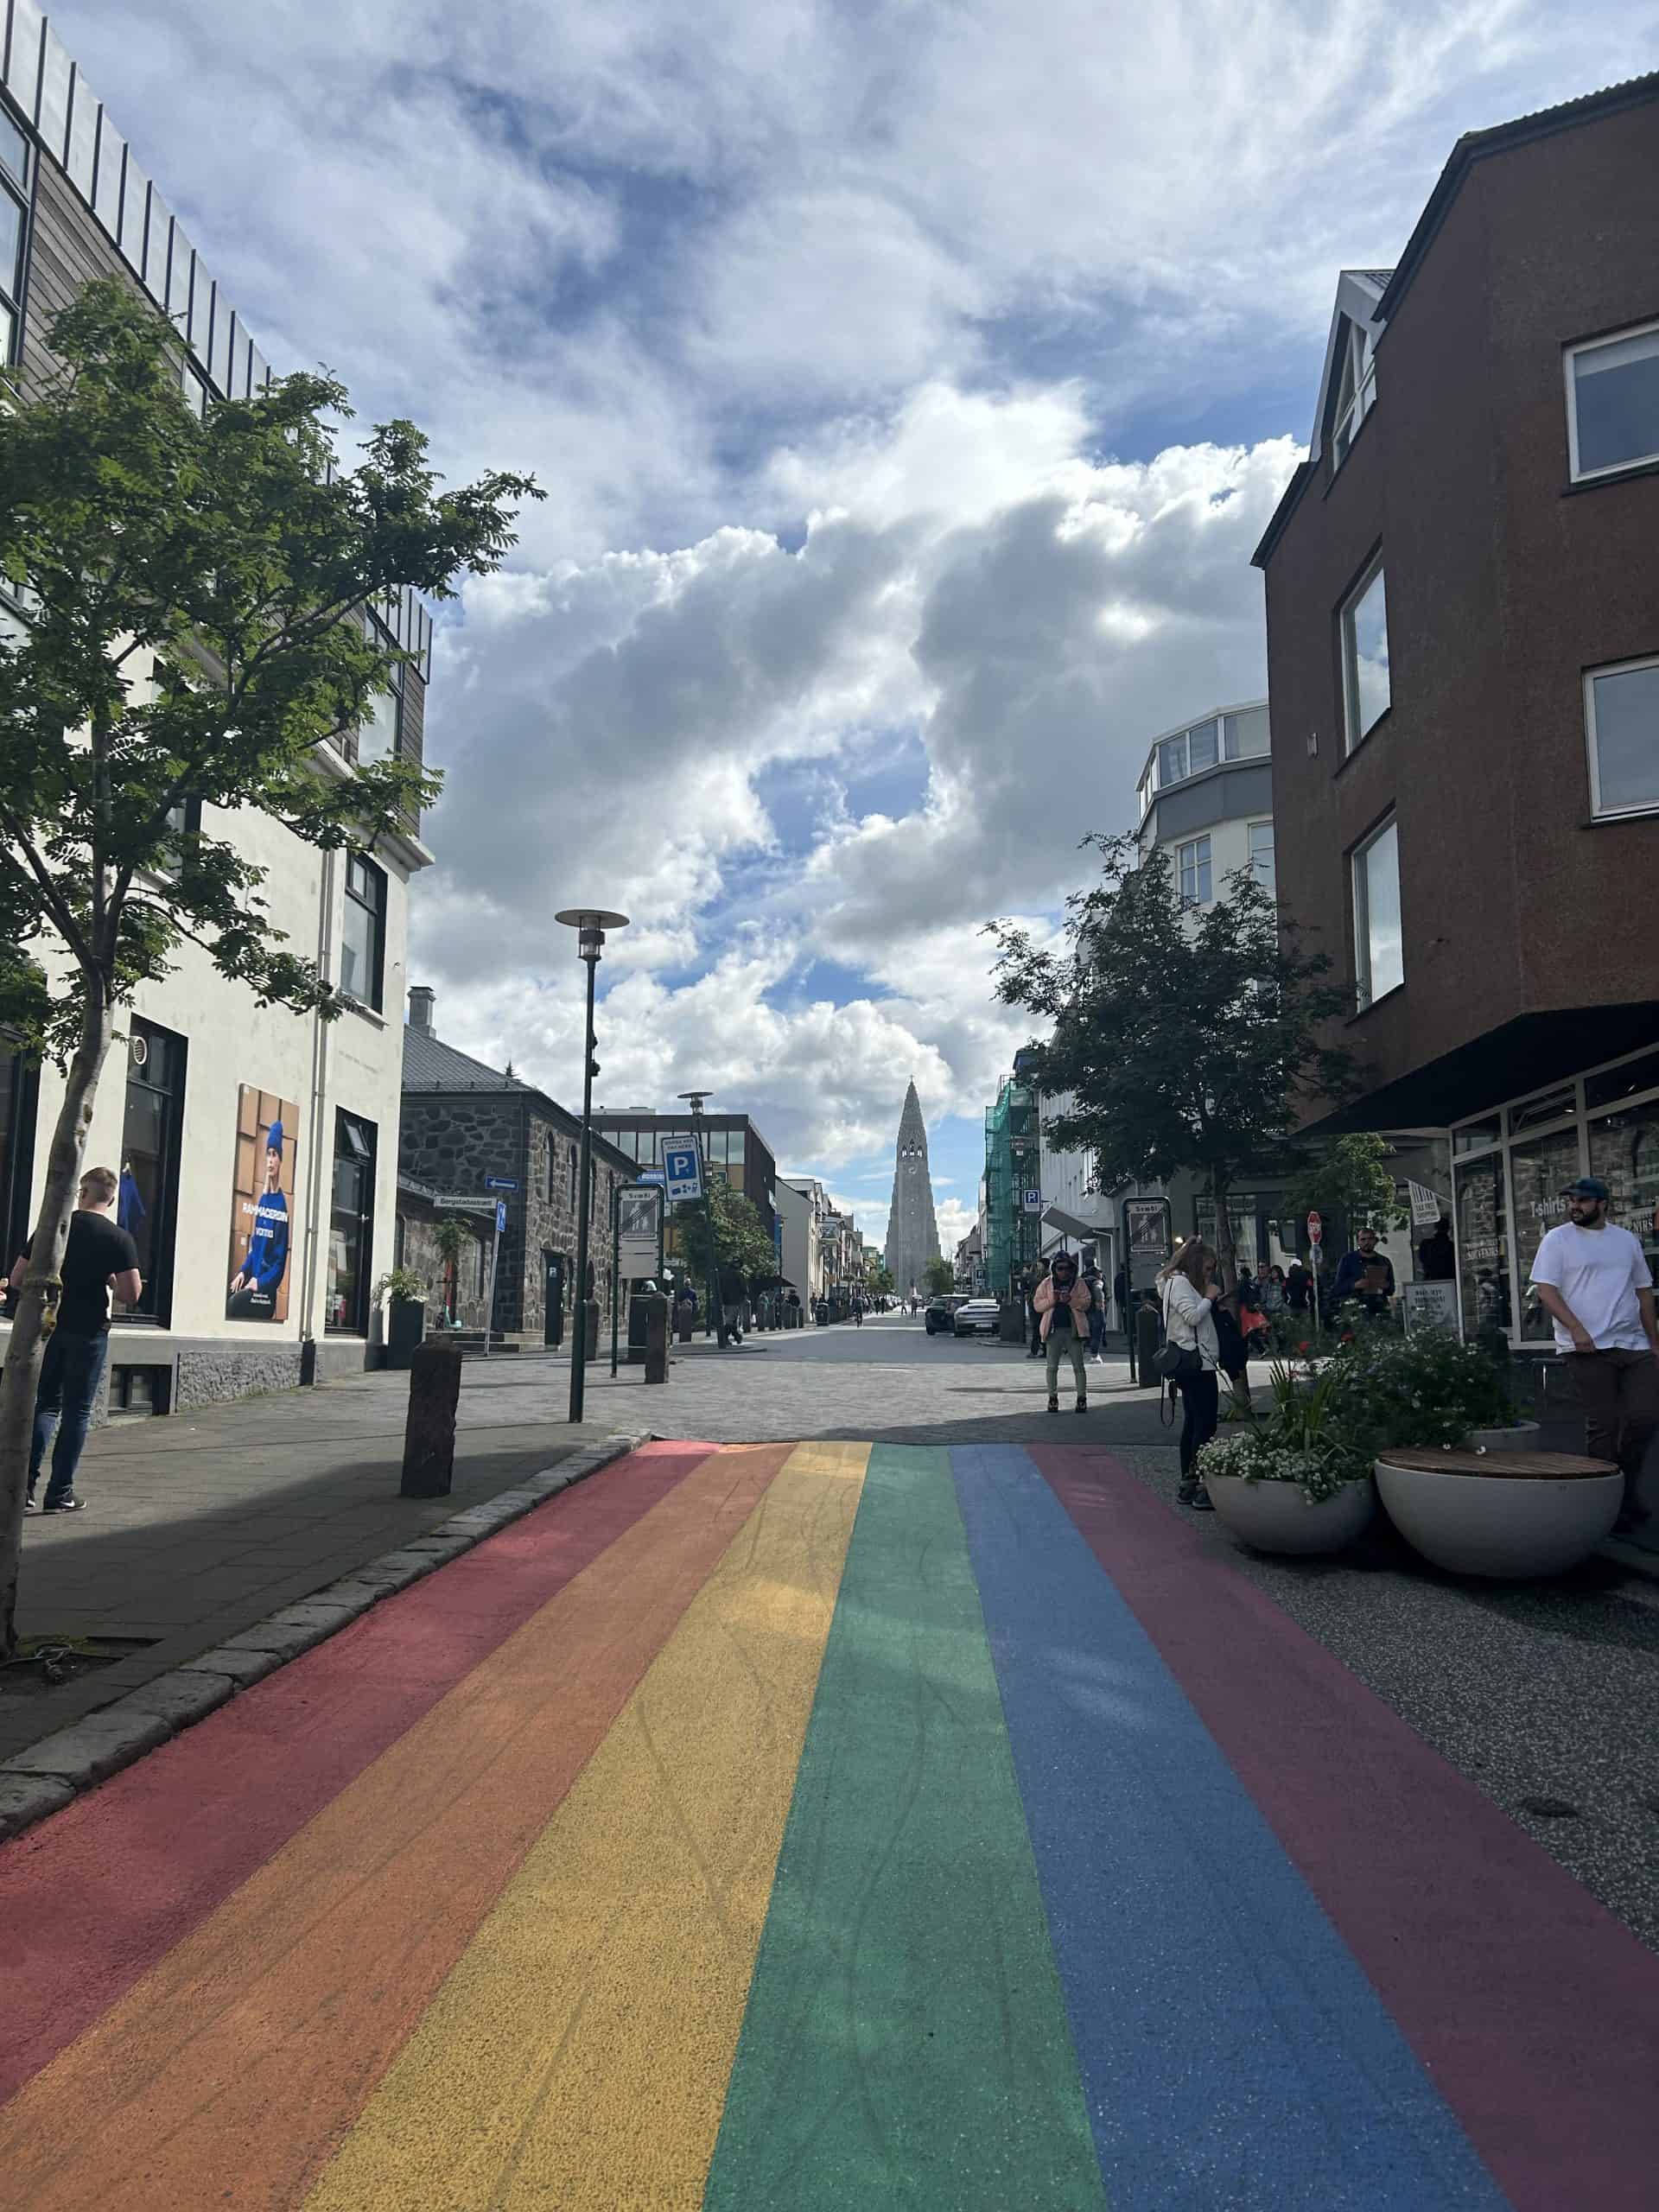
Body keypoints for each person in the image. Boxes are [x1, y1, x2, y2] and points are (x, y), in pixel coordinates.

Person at [1530, 1176, 1659, 1531]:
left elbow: (1644, 1293)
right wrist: (1576, 1329)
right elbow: (1546, 1291)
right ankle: (1607, 1501)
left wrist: (1655, 1342)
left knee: (1645, 1417)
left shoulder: (1625, 1240)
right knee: (1605, 1424)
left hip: (1632, 1344)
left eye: (1583, 1201)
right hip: (1585, 1347)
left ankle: (1625, 1487)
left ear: (1603, 1204)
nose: (1575, 1206)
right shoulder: (1557, 1240)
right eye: (1571, 1200)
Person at [14, 1166, 143, 1515]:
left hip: (50, 1326)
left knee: (45, 1405)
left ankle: (22, 1492)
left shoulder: (53, 1227)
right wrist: (111, 1281)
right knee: (77, 1412)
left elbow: (17, 1278)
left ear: (80, 1192)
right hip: (89, 1332)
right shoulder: (118, 1238)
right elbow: (132, 1294)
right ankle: (60, 1494)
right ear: (112, 1198)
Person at [1159, 1239, 1221, 1510]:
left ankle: (1189, 1481)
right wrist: (1209, 1297)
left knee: (1194, 1423)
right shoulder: (1181, 1284)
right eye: (1207, 1268)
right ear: (1196, 1265)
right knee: (1204, 1425)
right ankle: (1198, 1483)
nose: (1210, 1274)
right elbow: (1192, 1317)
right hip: (1197, 1363)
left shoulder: (1173, 1283)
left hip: (1193, 1362)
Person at [227, 1117, 289, 1319]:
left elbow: (279, 1263)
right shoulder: (263, 1201)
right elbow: (255, 1250)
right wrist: (243, 1272)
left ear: (280, 1160)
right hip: (252, 1283)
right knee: (227, 1295)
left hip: (264, 1294)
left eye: (275, 1155)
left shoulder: (280, 1207)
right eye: (268, 1155)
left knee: (233, 1305)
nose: (270, 1160)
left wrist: (260, 1282)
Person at [1034, 1250, 1092, 1414]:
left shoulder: (1078, 1282)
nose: (1063, 1271)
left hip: (1074, 1331)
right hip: (1053, 1331)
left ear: (1071, 1268)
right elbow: (1037, 1305)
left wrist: (1071, 1301)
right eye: (1060, 1268)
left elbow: (1087, 1303)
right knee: (1052, 1367)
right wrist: (1052, 1300)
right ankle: (1052, 1399)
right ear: (1054, 1268)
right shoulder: (1047, 1283)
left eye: (1066, 1268)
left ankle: (1082, 1399)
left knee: (1078, 1367)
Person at [1332, 1226, 1395, 1315]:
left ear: (1375, 1241)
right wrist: (1354, 1285)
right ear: (1358, 1242)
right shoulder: (1348, 1260)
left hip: (1380, 1310)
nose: (1367, 1242)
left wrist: (1385, 1285)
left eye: (1370, 1239)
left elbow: (1392, 1289)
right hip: (1356, 1311)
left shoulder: (1384, 1261)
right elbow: (1337, 1288)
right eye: (1363, 1239)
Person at [716, 1259, 747, 1347]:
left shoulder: (723, 1274)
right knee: (731, 1320)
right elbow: (744, 1288)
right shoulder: (739, 1274)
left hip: (725, 1300)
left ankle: (736, 1336)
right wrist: (744, 1296)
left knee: (731, 1320)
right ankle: (725, 1337)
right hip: (735, 1300)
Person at [1082, 1262, 1107, 1363]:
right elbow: (1097, 1290)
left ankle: (1082, 1350)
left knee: (1088, 1332)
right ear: (1097, 1273)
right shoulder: (1097, 1281)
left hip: (1087, 1310)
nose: (1102, 1274)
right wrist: (1100, 1302)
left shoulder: (1084, 1281)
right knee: (1097, 1332)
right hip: (1096, 1310)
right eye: (1100, 1272)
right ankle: (1094, 1355)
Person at [1418, 1217, 1456, 1282]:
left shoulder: (1426, 1244)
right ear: (1448, 1229)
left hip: (1431, 1281)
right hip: (1449, 1281)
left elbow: (1423, 1260)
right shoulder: (1452, 1246)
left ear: (1435, 1228)